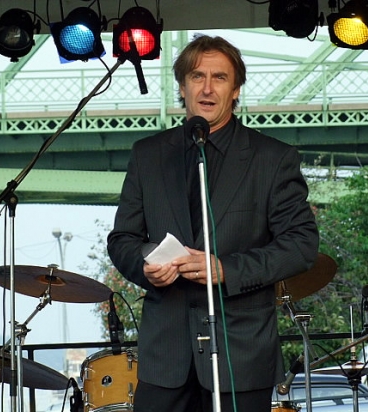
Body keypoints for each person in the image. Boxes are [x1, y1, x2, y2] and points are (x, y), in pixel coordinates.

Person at [106, 34, 319, 412]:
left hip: (241, 357)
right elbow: (123, 239)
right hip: (165, 358)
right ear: (182, 87)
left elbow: (301, 244)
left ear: (235, 90)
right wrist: (145, 266)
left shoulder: (272, 158)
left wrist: (226, 269)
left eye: (219, 77)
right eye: (197, 76)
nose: (207, 88)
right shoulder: (147, 155)